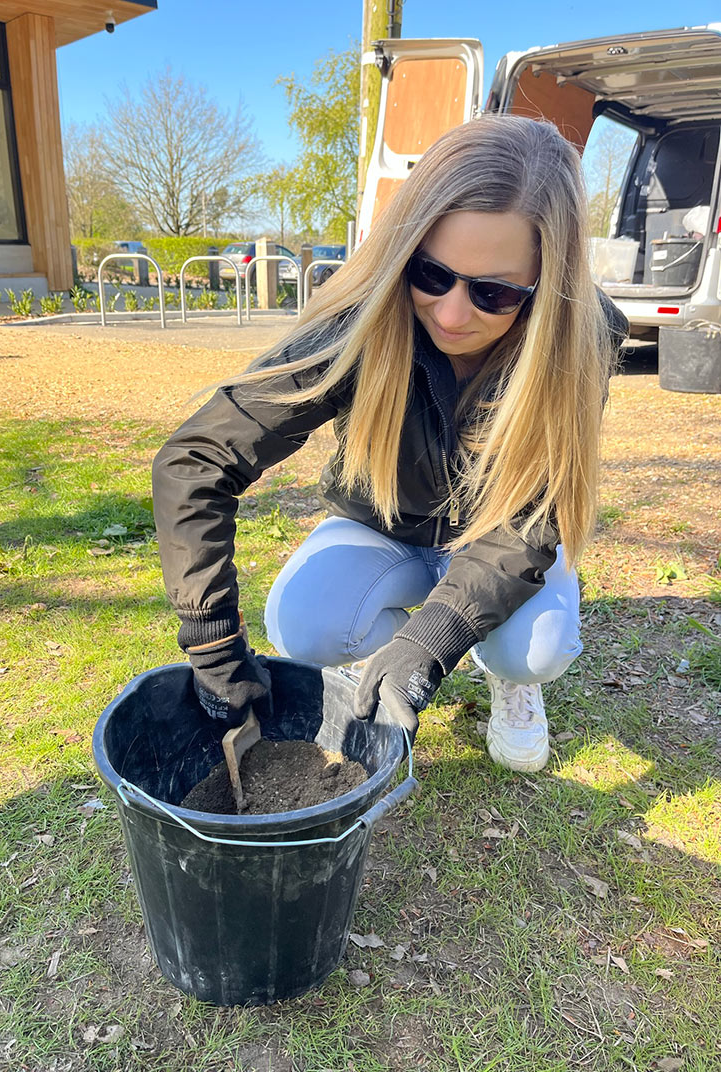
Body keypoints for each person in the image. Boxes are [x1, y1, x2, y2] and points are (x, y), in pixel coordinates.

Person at [152, 114, 628, 773]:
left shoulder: (585, 335)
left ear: (546, 285)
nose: (453, 315)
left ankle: (506, 677)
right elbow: (196, 460)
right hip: (387, 529)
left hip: (497, 537)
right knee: (302, 622)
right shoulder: (363, 319)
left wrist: (430, 644)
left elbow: (530, 519)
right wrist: (212, 644)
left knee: (534, 648)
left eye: (493, 293)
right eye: (432, 275)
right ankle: (407, 647)